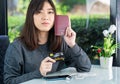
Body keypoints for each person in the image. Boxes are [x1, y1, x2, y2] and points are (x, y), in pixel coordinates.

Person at [4, 0, 91, 84]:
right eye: (39, 12)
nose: (45, 17)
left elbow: (85, 67)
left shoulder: (61, 41)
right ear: (31, 16)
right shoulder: (16, 47)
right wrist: (38, 72)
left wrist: (72, 44)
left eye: (50, 12)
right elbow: (9, 81)